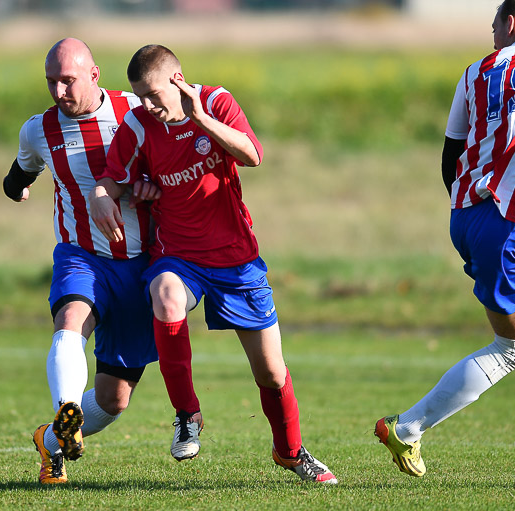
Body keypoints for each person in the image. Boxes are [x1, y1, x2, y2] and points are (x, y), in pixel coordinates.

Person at [89, 44, 337, 484]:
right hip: (177, 256)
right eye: (139, 96)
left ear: (179, 81)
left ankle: (291, 451)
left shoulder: (218, 102)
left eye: (153, 94)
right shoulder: (138, 124)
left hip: (236, 261)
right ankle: (187, 415)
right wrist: (103, 197)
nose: (146, 104)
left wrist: (201, 118)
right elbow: (113, 177)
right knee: (165, 298)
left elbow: (253, 155)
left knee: (272, 373)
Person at [3, 38, 159, 485]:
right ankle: (67, 410)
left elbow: (169, 166)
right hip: (81, 256)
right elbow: (21, 170)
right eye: (51, 82)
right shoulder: (39, 129)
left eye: (67, 81)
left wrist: (149, 188)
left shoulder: (137, 111)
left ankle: (51, 440)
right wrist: (16, 188)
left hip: (139, 266)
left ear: (94, 74)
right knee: (71, 319)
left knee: (114, 400)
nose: (58, 92)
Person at [374, 0, 515, 477]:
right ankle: (409, 428)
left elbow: (450, 153)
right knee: (510, 348)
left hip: (469, 216)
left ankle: (410, 429)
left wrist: (469, 214)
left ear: (510, 23)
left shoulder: (475, 73)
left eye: (494, 22)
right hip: (507, 223)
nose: (491, 29)